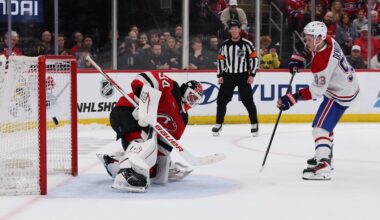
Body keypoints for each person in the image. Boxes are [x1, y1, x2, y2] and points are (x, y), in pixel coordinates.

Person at [97, 71, 204, 192]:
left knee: (151, 169)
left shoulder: (183, 120)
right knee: (140, 141)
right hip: (125, 110)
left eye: (196, 100)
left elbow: (164, 146)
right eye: (191, 96)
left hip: (144, 127)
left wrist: (162, 165)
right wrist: (143, 103)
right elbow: (145, 78)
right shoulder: (173, 89)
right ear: (185, 90)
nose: (192, 101)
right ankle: (127, 172)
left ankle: (113, 162)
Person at [279, 21, 359, 180]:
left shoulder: (321, 63)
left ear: (319, 38)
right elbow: (312, 49)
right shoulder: (328, 40)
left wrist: (292, 98)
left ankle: (323, 164)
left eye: (310, 39)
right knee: (325, 125)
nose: (307, 41)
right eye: (307, 37)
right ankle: (326, 155)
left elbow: (316, 92)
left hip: (339, 93)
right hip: (346, 86)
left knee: (320, 128)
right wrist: (301, 56)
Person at [212, 20, 259, 136]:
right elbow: (220, 60)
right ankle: (218, 124)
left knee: (248, 101)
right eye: (232, 28)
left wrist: (252, 75)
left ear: (239, 30)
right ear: (229, 30)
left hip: (243, 75)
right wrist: (220, 75)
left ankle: (254, 124)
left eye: (236, 28)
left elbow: (254, 59)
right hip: (228, 75)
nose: (234, 31)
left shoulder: (247, 44)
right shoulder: (224, 45)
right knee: (221, 101)